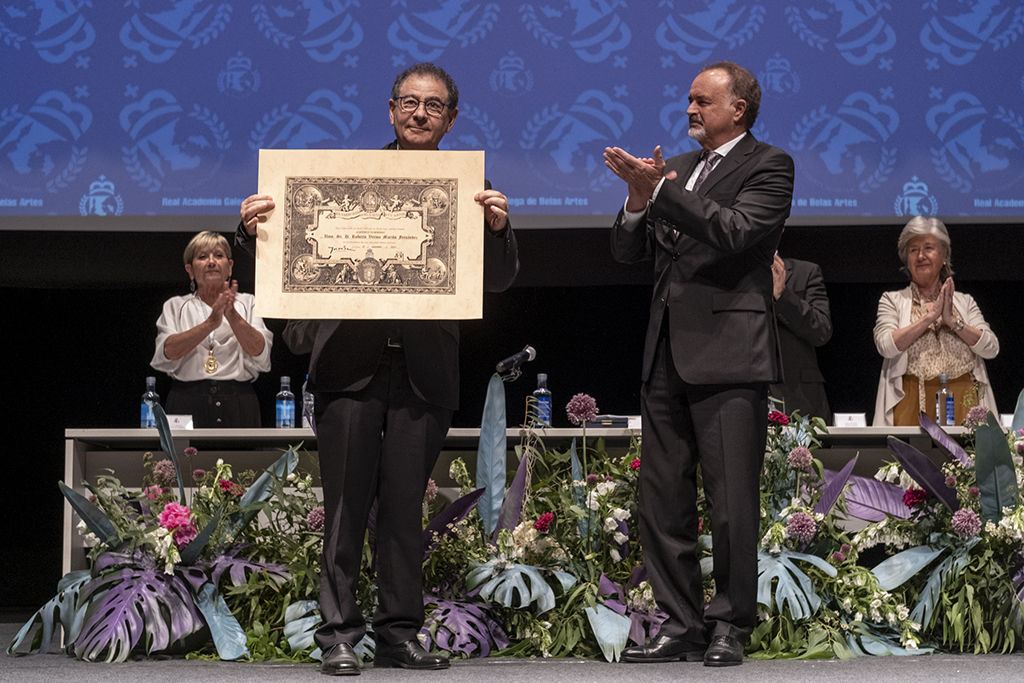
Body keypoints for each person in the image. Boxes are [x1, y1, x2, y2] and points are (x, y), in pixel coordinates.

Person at [237, 62, 519, 676]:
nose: (421, 113)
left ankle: (398, 633)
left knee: (402, 513)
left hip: (425, 372)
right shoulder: (341, 182)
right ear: (390, 110)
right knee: (344, 507)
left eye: (435, 105)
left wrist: (497, 229)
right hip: (348, 367)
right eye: (410, 103)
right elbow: (289, 260)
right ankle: (339, 633)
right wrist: (253, 228)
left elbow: (495, 281)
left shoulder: (470, 187)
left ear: (452, 118)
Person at [603, 61, 793, 667]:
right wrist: (638, 201)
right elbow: (627, 251)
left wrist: (661, 192)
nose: (689, 109)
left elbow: (735, 232)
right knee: (661, 499)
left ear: (738, 108)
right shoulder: (676, 171)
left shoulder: (769, 165)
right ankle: (680, 623)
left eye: (701, 100)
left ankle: (730, 623)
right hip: (665, 353)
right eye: (687, 99)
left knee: (732, 499)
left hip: (731, 356)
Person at [873, 216, 998, 427]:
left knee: (966, 459)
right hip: (910, 401)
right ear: (906, 259)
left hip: (963, 398)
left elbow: (991, 348)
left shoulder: (965, 302)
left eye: (929, 248)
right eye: (913, 250)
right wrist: (929, 318)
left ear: (944, 256)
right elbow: (886, 346)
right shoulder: (892, 300)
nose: (921, 256)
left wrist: (954, 322)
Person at [150, 231, 272, 427]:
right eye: (202, 257)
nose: (212, 262)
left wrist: (232, 316)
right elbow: (167, 353)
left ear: (229, 266)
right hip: (186, 401)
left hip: (238, 401)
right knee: (186, 459)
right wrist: (210, 324)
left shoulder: (248, 302)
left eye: (219, 255)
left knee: (244, 459)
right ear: (190, 270)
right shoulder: (174, 305)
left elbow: (260, 353)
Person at [769, 253, 833, 424]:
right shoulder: (732, 275)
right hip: (743, 400)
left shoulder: (806, 272)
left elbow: (822, 330)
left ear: (780, 226)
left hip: (798, 402)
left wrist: (783, 296)